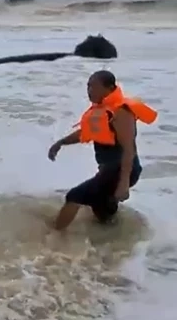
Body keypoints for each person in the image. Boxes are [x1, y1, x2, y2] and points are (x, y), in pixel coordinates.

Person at [48, 70, 158, 230]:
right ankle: (116, 239)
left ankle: (55, 235)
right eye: (88, 86)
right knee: (101, 210)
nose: (89, 91)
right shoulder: (102, 110)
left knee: (74, 196)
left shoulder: (121, 112)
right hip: (109, 171)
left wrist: (124, 183)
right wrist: (61, 143)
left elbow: (129, 149)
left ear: (109, 88)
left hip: (121, 170)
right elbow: (85, 133)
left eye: (93, 87)